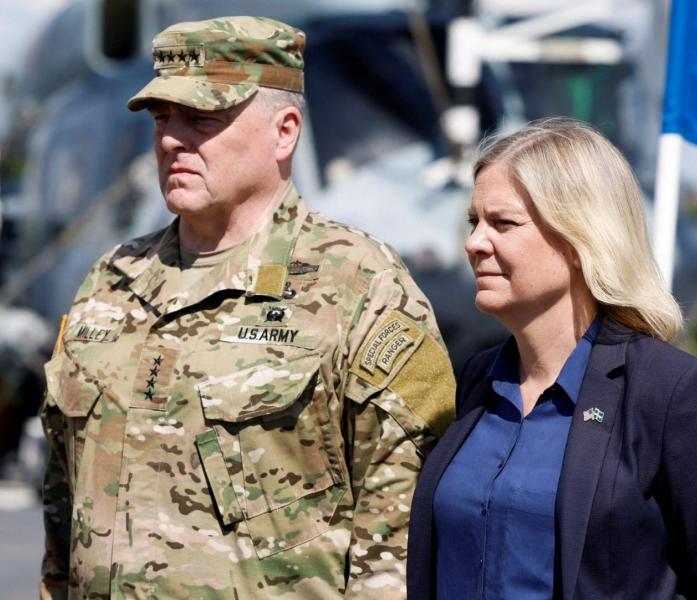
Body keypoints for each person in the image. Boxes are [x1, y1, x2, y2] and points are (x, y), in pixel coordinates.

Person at [39, 16, 455, 599]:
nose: (170, 139)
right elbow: (63, 509)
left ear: (284, 132)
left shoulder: (359, 286)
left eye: (202, 118)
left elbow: (398, 535)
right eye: (162, 118)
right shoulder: (110, 284)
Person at [408, 118, 697, 599]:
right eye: (474, 222)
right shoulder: (477, 379)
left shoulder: (674, 395)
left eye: (503, 223)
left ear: (579, 239)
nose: (474, 243)